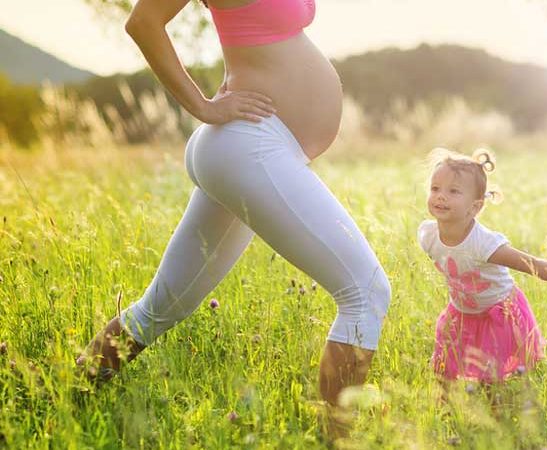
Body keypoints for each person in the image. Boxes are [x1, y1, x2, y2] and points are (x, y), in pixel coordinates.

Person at [76, 0, 391, 431]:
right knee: (365, 292)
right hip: (248, 146)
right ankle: (339, 440)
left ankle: (71, 391)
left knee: (156, 310)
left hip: (254, 149)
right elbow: (143, 22)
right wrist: (203, 106)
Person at [417, 148, 547, 383]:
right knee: (444, 371)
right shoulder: (427, 235)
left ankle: (496, 411)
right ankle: (446, 411)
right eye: (435, 189)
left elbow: (533, 265)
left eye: (454, 191)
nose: (440, 196)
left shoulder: (484, 244)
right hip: (461, 313)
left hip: (498, 313)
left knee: (491, 379)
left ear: (475, 207)